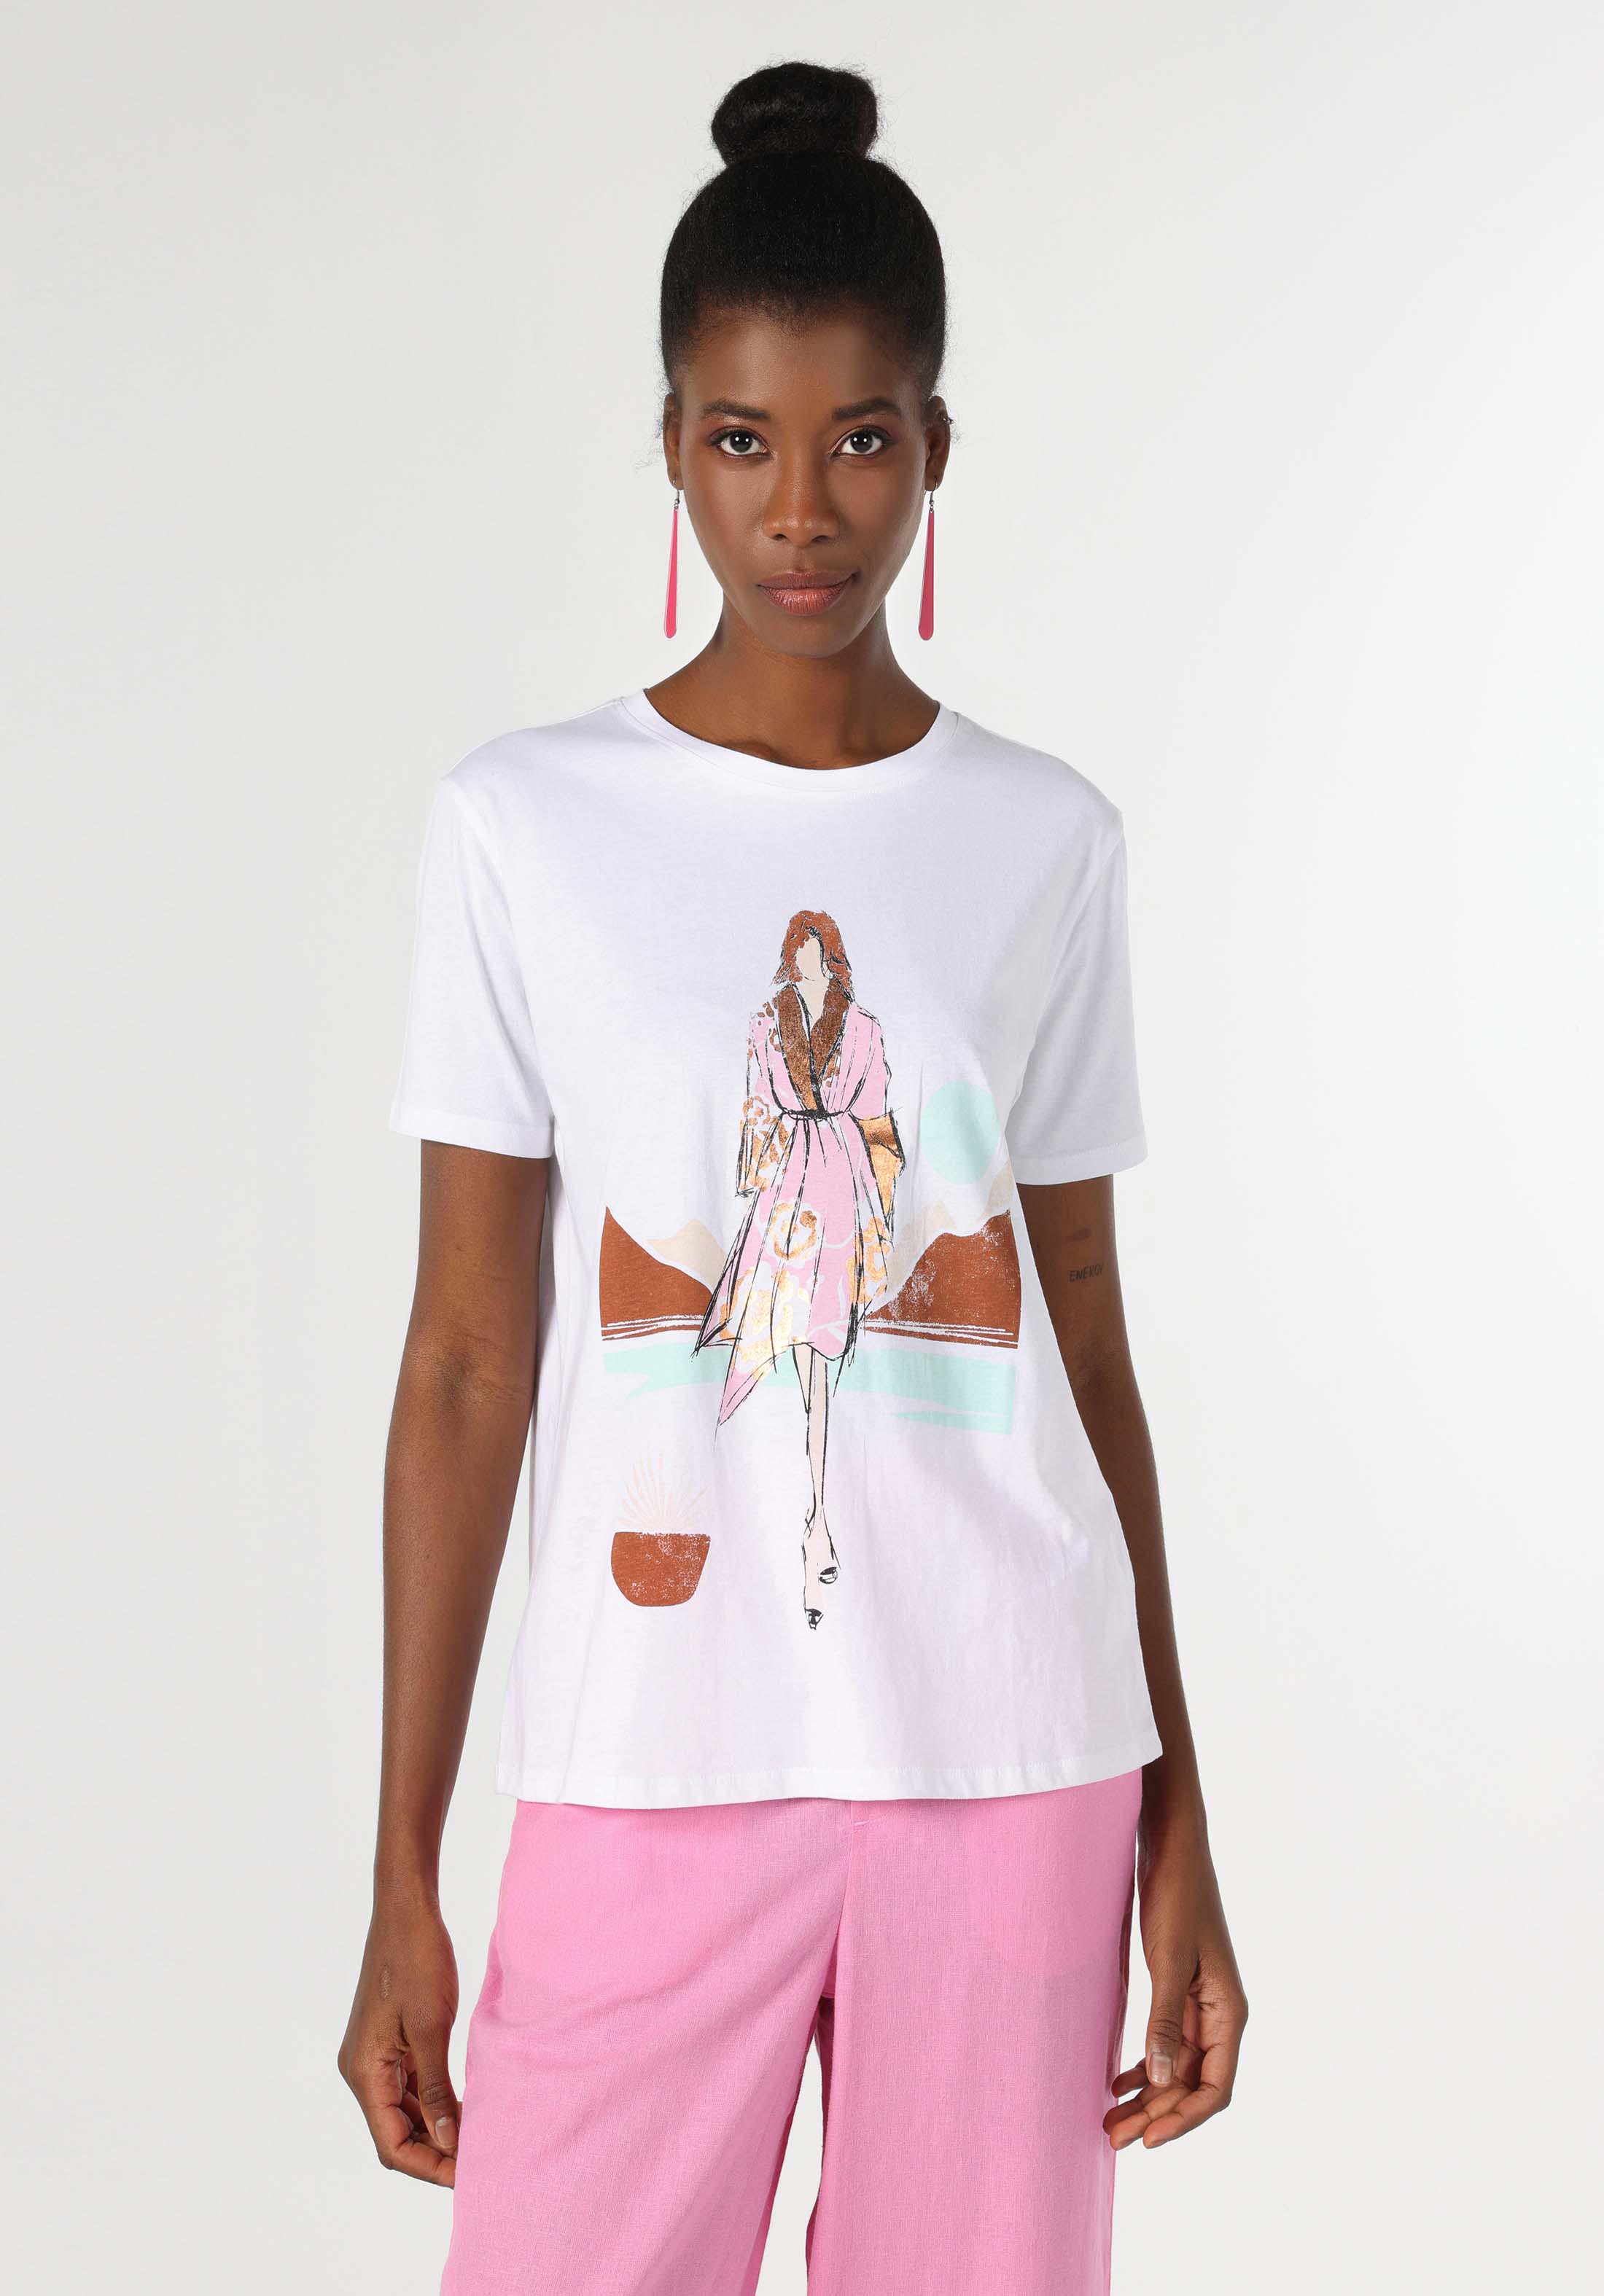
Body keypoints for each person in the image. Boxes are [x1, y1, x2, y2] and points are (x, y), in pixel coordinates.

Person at [338, 59, 1247, 2296]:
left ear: (935, 447)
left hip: (1010, 1752)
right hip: (645, 1755)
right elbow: (465, 1363)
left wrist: (1181, 1826)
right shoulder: (522, 828)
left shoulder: (1046, 840)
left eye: (861, 439)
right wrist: (400, 1869)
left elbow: (1085, 1343)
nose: (805, 508)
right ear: (671, 445)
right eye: (744, 440)